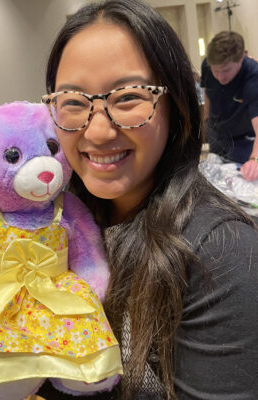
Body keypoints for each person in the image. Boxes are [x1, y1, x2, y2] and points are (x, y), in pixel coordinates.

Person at [36, 1, 258, 399]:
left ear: (176, 106)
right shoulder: (53, 230)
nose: (99, 131)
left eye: (128, 97)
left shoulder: (220, 253)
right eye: (72, 101)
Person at [201, 31, 258, 181]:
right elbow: (207, 96)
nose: (220, 77)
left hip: (243, 140)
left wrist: (255, 160)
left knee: (245, 179)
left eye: (226, 70)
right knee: (216, 181)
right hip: (216, 133)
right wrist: (205, 123)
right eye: (216, 71)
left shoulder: (253, 76)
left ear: (241, 58)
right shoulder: (206, 65)